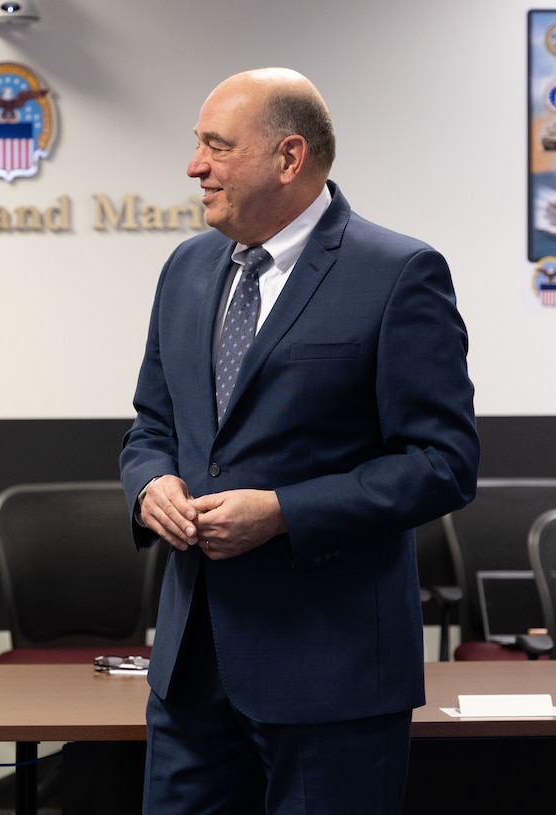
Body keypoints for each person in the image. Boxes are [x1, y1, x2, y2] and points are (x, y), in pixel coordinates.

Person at [119, 68, 479, 814]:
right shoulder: (186, 269)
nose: (194, 166)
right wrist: (151, 484)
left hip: (332, 672)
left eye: (217, 145)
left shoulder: (397, 273)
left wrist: (283, 511)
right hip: (191, 671)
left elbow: (442, 463)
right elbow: (152, 425)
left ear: (288, 158)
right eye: (197, 145)